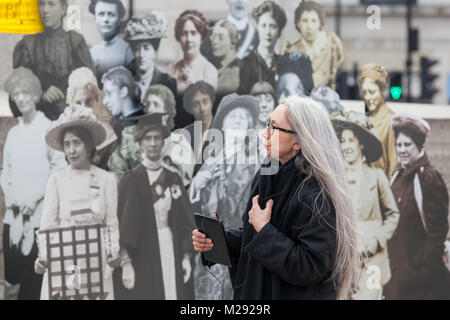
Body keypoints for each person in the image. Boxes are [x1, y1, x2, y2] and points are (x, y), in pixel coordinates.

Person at [193, 96, 360, 300]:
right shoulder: (266, 176)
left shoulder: (318, 195)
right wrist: (218, 241)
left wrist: (264, 231)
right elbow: (254, 241)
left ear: (298, 141)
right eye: (266, 125)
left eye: (273, 127)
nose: (264, 134)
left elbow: (309, 267)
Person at [34, 105, 120, 300]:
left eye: (77, 143)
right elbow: (48, 226)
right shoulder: (57, 180)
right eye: (67, 144)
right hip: (64, 257)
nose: (71, 150)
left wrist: (112, 253)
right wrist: (44, 258)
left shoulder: (106, 180)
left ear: (89, 145)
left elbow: (111, 222)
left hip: (95, 255)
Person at [113, 113, 196, 300]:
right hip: (143, 254)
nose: (152, 143)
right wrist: (126, 261)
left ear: (163, 141)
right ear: (140, 143)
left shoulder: (174, 178)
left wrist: (186, 257)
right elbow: (122, 225)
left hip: (171, 247)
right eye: (148, 138)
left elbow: (186, 221)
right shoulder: (131, 180)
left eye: (157, 138)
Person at [0, 67, 66, 300]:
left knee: (34, 280)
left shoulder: (48, 129)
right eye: (16, 93)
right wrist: (13, 198)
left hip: (39, 216)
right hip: (14, 217)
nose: (21, 98)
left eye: (26, 92)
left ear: (36, 95)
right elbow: (4, 170)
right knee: (12, 278)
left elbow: (59, 169)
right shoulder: (14, 134)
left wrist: (35, 198)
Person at [189, 93, 260, 300]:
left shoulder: (256, 162)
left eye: (243, 117)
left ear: (249, 127)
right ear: (223, 124)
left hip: (241, 247)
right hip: (210, 250)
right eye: (233, 116)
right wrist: (196, 185)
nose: (238, 119)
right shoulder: (209, 161)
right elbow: (193, 209)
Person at [330, 110, 399, 300]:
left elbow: (393, 214)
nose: (347, 146)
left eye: (351, 140)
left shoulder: (376, 177)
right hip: (343, 260)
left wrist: (376, 240)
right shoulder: (335, 178)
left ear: (360, 143)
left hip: (372, 260)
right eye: (343, 141)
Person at [384, 114, 450, 300]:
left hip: (420, 285)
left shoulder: (428, 178)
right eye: (399, 145)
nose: (402, 150)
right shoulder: (397, 176)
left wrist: (421, 271)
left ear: (420, 146)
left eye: (408, 145)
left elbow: (438, 233)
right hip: (396, 278)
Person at [13, 0, 94, 120]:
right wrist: (41, 96)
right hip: (38, 122)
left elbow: (91, 91)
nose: (45, 10)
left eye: (51, 4)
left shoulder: (76, 43)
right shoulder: (28, 46)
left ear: (63, 9)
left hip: (72, 122)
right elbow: (15, 97)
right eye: (41, 4)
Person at [280, 0, 344, 89]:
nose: (309, 26)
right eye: (305, 20)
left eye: (314, 21)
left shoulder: (332, 45)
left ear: (320, 23)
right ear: (298, 24)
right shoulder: (291, 52)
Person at [66, 67, 118, 170]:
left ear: (97, 100)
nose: (84, 108)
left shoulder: (113, 130)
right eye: (78, 103)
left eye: (89, 101)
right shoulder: (67, 133)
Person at [123, 11, 177, 102]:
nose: (141, 54)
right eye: (137, 49)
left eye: (146, 48)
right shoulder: (125, 81)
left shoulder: (167, 82)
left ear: (155, 51)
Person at [101, 67, 144, 180]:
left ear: (123, 92)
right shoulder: (113, 124)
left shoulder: (142, 125)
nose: (105, 101)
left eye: (109, 93)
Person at [238, 1, 287, 95]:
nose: (267, 32)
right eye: (263, 26)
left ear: (279, 31)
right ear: (258, 28)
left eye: (272, 26)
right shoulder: (245, 65)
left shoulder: (284, 65)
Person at [167, 10, 218, 96]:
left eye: (193, 33)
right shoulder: (171, 70)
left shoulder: (209, 71)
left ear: (201, 38)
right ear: (178, 37)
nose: (189, 39)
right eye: (184, 33)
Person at [360, 63, 397, 180]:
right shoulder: (362, 120)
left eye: (372, 92)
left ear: (382, 91)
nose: (367, 97)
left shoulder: (391, 121)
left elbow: (394, 167)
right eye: (364, 92)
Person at [89, 0, 134, 81]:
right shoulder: (93, 51)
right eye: (101, 14)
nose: (106, 19)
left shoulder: (126, 50)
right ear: (95, 19)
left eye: (111, 15)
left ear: (119, 21)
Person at [182, 81, 216, 172]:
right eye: (196, 105)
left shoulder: (222, 130)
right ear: (190, 109)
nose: (202, 109)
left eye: (205, 102)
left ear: (211, 103)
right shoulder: (185, 135)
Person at [210, 20, 242, 96]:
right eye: (213, 37)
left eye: (220, 37)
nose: (215, 42)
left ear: (233, 42)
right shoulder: (221, 69)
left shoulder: (234, 71)